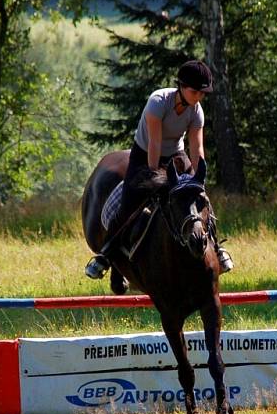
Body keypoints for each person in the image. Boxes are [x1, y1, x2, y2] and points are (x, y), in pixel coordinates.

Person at [85, 59, 234, 279]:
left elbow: (197, 147)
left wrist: (198, 178)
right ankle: (106, 254)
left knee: (200, 199)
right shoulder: (158, 102)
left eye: (203, 94)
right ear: (181, 87)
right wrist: (153, 178)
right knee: (129, 203)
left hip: (176, 155)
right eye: (195, 92)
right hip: (145, 156)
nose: (199, 97)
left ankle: (216, 247)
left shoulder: (196, 111)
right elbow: (154, 143)